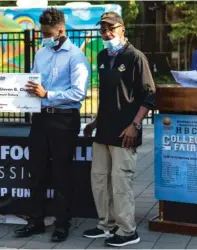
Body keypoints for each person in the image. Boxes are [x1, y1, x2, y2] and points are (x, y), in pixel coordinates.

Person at [14, 7, 90, 242]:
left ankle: (61, 224)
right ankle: (35, 221)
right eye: (42, 33)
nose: (44, 37)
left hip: (64, 119)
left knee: (61, 173)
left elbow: (78, 92)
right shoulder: (41, 53)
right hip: (41, 118)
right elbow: (33, 82)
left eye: (48, 33)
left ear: (61, 30)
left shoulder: (76, 56)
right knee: (36, 171)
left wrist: (47, 94)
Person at [82, 12, 156, 247]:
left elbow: (150, 96)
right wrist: (95, 121)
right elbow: (108, 97)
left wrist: (135, 125)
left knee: (121, 183)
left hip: (125, 133)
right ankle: (107, 224)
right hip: (103, 130)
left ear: (122, 29)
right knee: (99, 180)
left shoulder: (135, 57)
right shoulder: (103, 56)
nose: (107, 33)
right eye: (103, 30)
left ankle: (127, 231)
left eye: (111, 28)